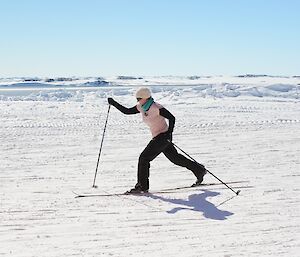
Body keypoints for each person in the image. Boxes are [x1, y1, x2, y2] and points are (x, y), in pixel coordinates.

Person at [108, 87, 207, 193]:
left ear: (145, 98)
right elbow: (127, 111)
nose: (137, 101)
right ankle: (199, 170)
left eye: (139, 98)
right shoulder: (141, 107)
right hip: (159, 137)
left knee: (144, 158)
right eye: (137, 99)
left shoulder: (156, 107)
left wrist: (169, 133)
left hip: (163, 137)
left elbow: (172, 118)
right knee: (175, 158)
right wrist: (114, 103)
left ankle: (142, 186)